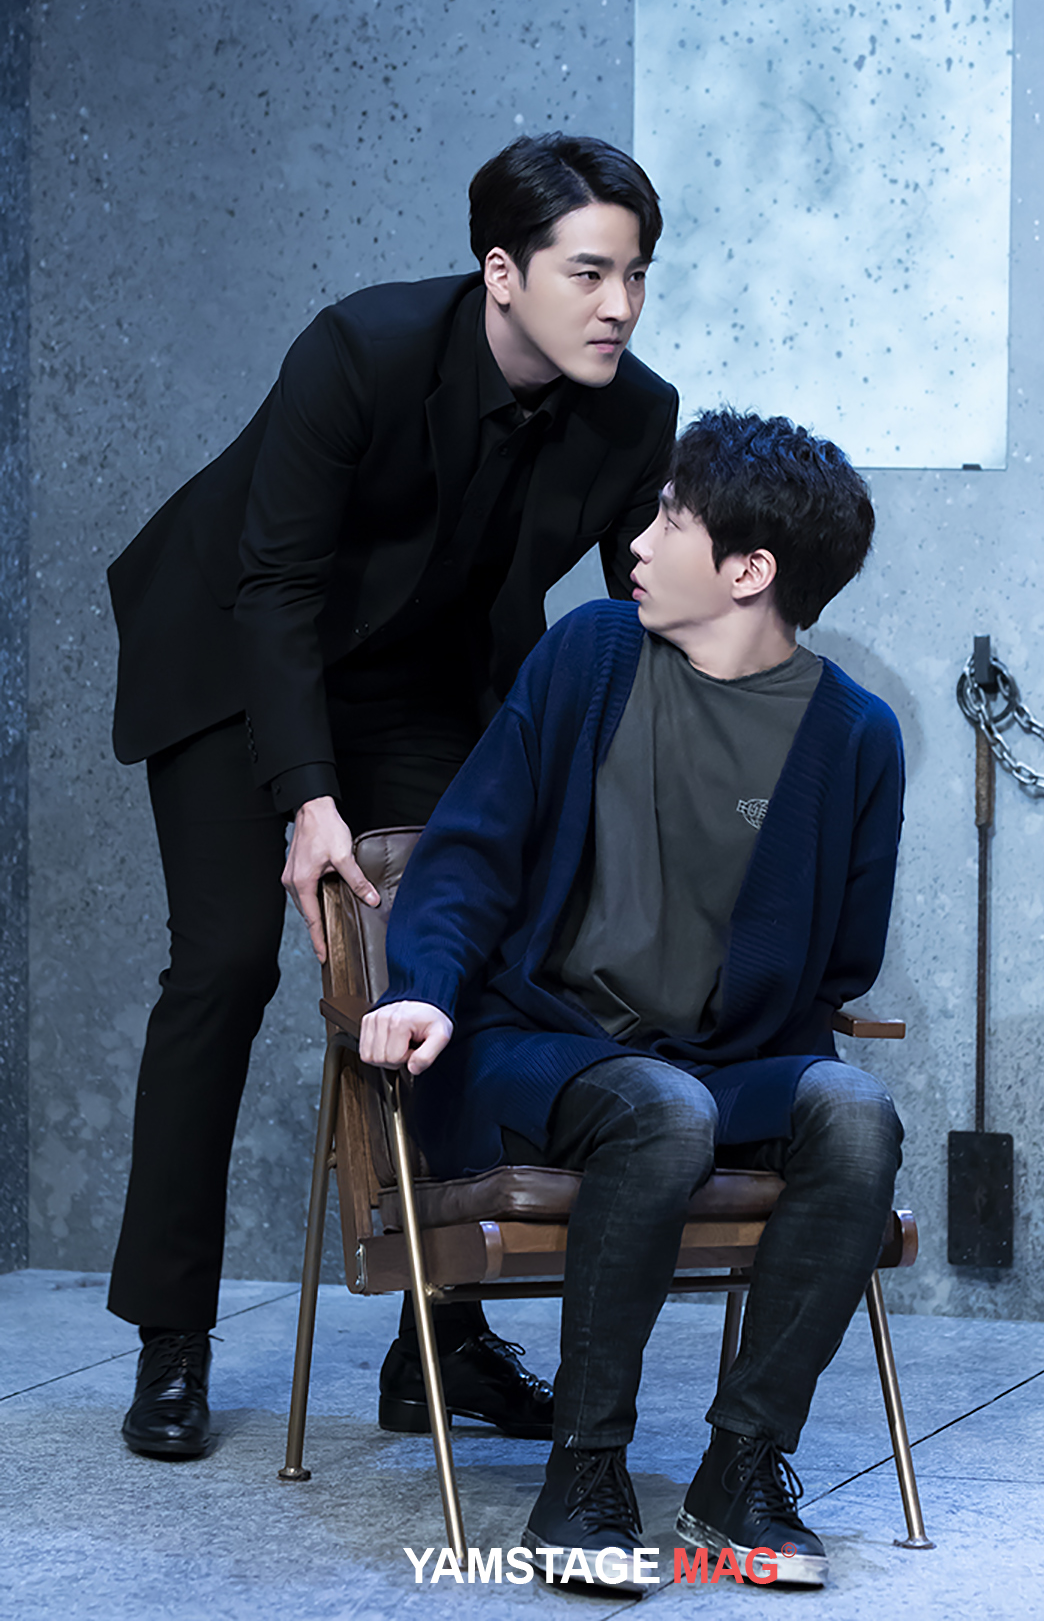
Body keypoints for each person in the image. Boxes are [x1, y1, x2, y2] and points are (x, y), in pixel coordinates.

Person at [106, 134, 679, 1459]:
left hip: (422, 683)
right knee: (226, 964)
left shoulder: (633, 412)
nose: (620, 306)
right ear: (502, 272)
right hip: (237, 660)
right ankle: (170, 1337)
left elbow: (645, 615)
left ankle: (443, 1343)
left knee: (450, 960)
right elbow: (275, 590)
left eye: (638, 275)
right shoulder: (360, 351)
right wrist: (307, 801)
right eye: (590, 274)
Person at [358, 408, 905, 1591]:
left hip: (712, 1073)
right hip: (527, 1053)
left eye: (671, 519)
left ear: (749, 572)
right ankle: (584, 1476)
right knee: (663, 1107)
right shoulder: (594, 655)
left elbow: (840, 962)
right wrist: (428, 992)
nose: (641, 543)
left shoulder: (856, 738)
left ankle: (741, 1470)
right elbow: (469, 852)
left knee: (857, 1115)